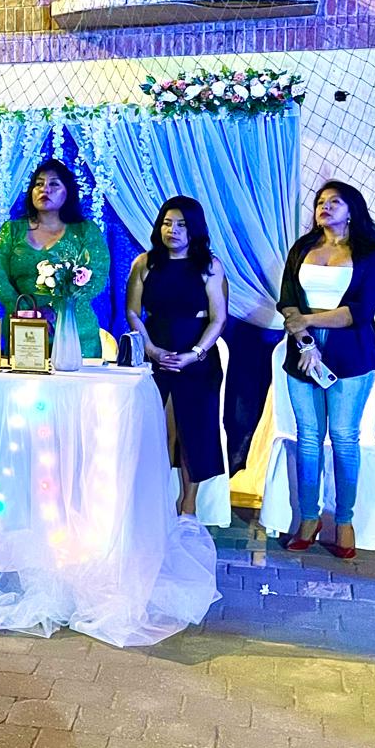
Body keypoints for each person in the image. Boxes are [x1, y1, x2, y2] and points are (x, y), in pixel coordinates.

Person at [278, 181, 375, 559]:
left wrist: (308, 320)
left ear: (352, 210)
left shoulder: (370, 255)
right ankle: (309, 519)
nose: (324, 207)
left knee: (343, 437)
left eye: (334, 202)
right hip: (302, 354)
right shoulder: (302, 248)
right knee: (308, 438)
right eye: (320, 202)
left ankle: (344, 521)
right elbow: (288, 301)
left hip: (351, 356)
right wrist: (306, 341)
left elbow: (360, 312)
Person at [125, 197, 229, 516]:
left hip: (196, 354)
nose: (173, 230)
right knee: (155, 429)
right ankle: (152, 502)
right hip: (155, 349)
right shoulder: (145, 263)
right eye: (167, 223)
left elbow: (218, 319)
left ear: (195, 228)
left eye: (182, 225)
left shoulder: (210, 266)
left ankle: (188, 504)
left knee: (193, 431)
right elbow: (133, 311)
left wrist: (195, 354)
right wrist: (151, 349)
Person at [0, 159, 109, 357]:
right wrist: (28, 311)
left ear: (68, 192)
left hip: (75, 332)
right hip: (25, 330)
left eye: (54, 184)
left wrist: (55, 310)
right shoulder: (12, 230)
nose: (45, 189)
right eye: (39, 184)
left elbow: (97, 277)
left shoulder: (85, 231)